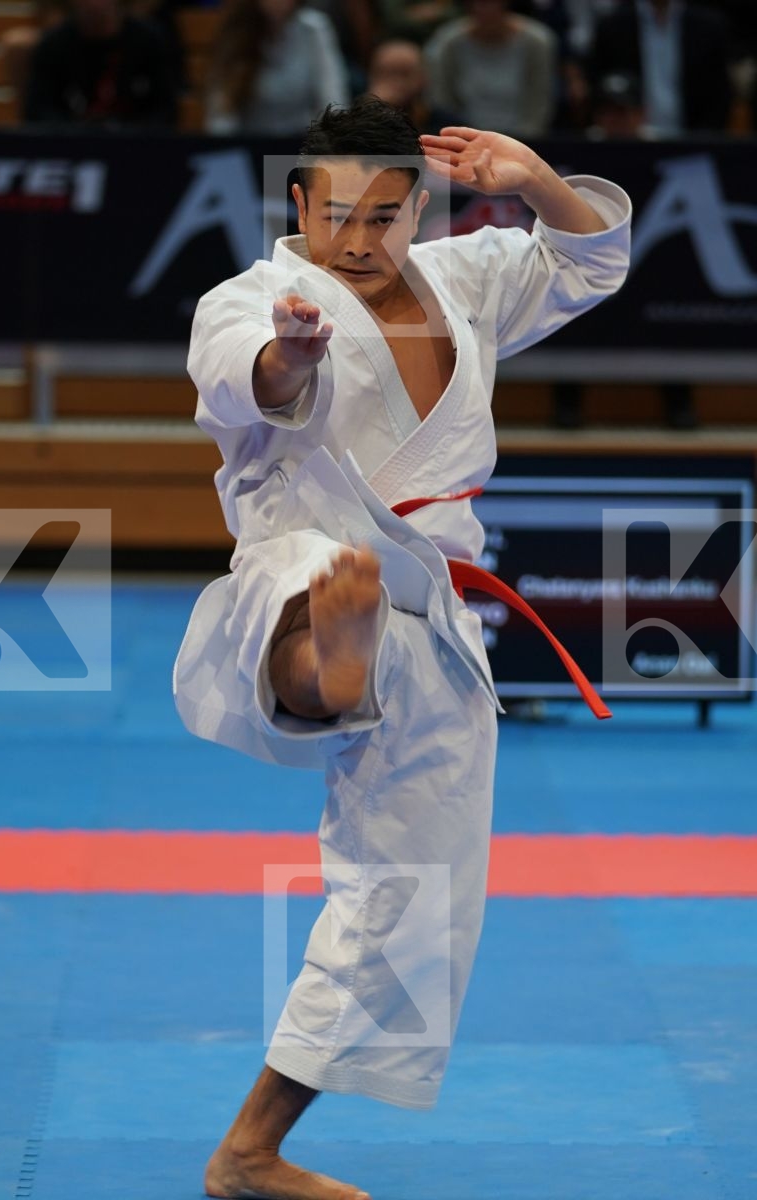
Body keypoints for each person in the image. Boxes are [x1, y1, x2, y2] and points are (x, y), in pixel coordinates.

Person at [173, 96, 631, 1199]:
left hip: (429, 612)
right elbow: (250, 378)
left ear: (419, 208)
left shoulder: (467, 280)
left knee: (411, 894)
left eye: (384, 217)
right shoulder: (253, 300)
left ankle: (248, 1152)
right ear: (298, 204)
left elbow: (590, 258)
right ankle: (328, 666)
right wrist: (290, 355)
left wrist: (531, 181)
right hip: (299, 574)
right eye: (337, 217)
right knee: (322, 583)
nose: (358, 242)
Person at [204, 0, 350, 136]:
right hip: (252, 149)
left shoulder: (315, 29)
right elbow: (221, 119)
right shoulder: (236, 33)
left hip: (302, 148)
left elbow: (334, 105)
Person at [23, 0, 178, 126]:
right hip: (73, 145)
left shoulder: (149, 41)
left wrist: (133, 133)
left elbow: (165, 110)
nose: (95, 4)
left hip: (136, 146)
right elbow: (38, 110)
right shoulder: (53, 44)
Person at [589, 0, 732, 136]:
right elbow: (602, 90)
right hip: (630, 145)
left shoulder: (709, 26)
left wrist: (703, 139)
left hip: (693, 145)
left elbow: (719, 94)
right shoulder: (613, 25)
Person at [424, 0, 560, 137]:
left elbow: (540, 101)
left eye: (490, 2)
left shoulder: (537, 42)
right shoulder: (448, 42)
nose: (482, 8)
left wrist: (521, 143)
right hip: (464, 140)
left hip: (525, 141)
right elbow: (443, 100)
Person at [365, 37, 460, 132]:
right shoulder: (359, 122)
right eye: (386, 74)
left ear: (423, 77)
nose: (396, 82)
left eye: (404, 74)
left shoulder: (447, 126)